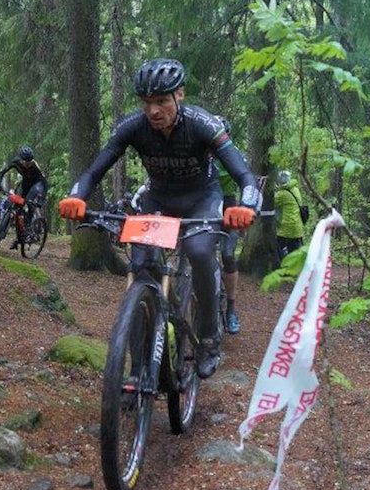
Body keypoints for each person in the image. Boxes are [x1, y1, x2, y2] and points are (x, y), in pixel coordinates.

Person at [58, 58, 259, 379]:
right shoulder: (133, 127)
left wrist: (247, 206)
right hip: (158, 201)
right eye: (147, 103)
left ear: (179, 95)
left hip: (202, 200)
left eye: (162, 101)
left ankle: (209, 337)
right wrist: (75, 196)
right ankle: (138, 370)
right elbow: (95, 169)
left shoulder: (202, 124)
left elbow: (244, 174)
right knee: (141, 270)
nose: (154, 111)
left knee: (199, 252)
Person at [0, 146, 48, 233]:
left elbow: (44, 183)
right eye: (25, 163)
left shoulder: (35, 166)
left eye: (29, 162)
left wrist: (42, 199)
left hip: (37, 183)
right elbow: (2, 172)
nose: (28, 165)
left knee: (29, 201)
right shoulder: (15, 162)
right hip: (26, 182)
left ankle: (29, 227)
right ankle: (9, 228)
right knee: (18, 204)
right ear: (20, 160)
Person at [217, 172, 243, 334]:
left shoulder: (226, 152)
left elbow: (247, 179)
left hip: (228, 205)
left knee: (227, 254)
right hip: (200, 202)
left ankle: (231, 309)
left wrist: (250, 206)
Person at [275, 170, 305, 262]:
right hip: (297, 226)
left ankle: (284, 266)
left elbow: (272, 201)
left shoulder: (281, 194)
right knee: (295, 250)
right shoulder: (295, 189)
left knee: (278, 247)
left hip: (286, 227)